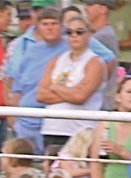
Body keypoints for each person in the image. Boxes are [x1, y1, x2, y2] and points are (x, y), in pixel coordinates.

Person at [35, 15, 105, 151]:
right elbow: (41, 95)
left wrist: (54, 87)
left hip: (79, 132)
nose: (74, 36)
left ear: (89, 34)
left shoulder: (94, 63)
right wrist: (72, 91)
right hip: (52, 130)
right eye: (69, 32)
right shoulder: (55, 61)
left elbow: (80, 97)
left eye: (79, 32)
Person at [4, 6, 66, 154]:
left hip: (52, 123)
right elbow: (18, 86)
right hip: (25, 123)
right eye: (45, 24)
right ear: (37, 27)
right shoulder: (31, 51)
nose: (49, 28)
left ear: (62, 26)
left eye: (53, 23)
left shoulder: (71, 48)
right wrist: (13, 116)